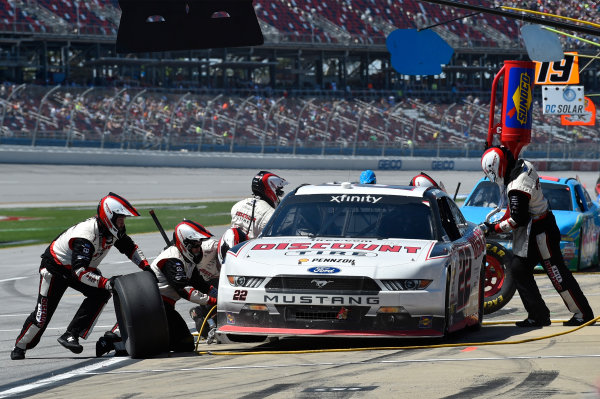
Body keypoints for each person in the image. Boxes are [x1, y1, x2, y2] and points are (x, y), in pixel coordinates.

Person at [11, 193, 151, 360]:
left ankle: (71, 335)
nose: (123, 223)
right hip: (55, 269)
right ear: (109, 217)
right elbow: (80, 272)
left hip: (79, 268)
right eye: (120, 218)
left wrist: (147, 268)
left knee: (101, 294)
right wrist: (106, 282)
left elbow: (130, 248)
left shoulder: (113, 230)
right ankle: (20, 346)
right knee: (42, 316)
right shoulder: (85, 236)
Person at [480, 145, 594, 327]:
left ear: (499, 167)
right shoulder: (522, 164)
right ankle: (538, 315)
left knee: (556, 273)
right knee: (519, 269)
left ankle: (583, 313)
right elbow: (513, 211)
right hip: (538, 226)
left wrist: (493, 228)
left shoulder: (517, 187)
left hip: (541, 232)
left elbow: (518, 218)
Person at [151, 219, 218, 352]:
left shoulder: (188, 259)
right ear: (185, 245)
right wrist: (213, 301)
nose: (199, 250)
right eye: (195, 247)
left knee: (184, 344)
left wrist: (219, 295)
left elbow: (200, 284)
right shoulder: (172, 260)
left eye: (199, 246)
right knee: (185, 344)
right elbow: (184, 290)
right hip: (154, 307)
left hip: (166, 307)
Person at [230, 170, 288, 239]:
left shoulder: (237, 205)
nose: (279, 196)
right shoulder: (271, 215)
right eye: (279, 193)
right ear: (271, 190)